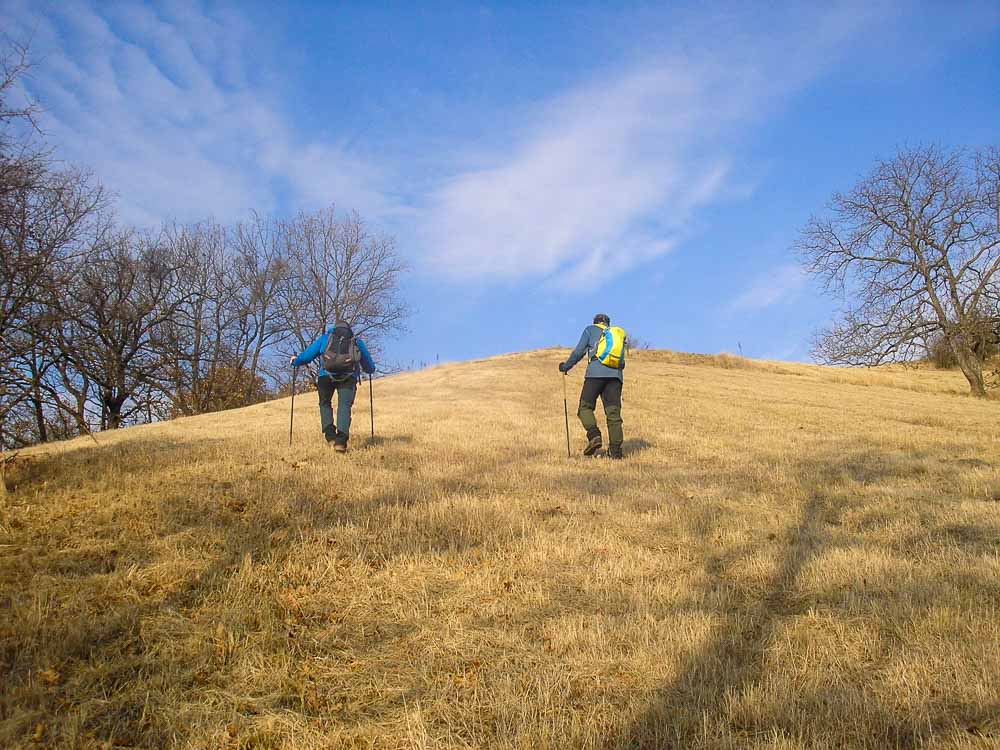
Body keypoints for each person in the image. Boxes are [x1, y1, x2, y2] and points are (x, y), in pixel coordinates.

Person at [289, 322, 376, 452]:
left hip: (325, 376)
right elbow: (369, 366)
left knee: (324, 403)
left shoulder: (325, 338)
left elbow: (307, 356)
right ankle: (341, 442)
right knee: (344, 406)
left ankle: (330, 435)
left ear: (334, 328)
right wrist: (369, 370)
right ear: (349, 330)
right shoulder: (356, 341)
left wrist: (295, 361)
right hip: (348, 377)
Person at [559, 313, 625, 459]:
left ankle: (594, 436)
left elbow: (578, 352)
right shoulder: (617, 335)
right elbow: (622, 361)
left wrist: (565, 367)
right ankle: (615, 452)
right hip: (615, 377)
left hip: (595, 375)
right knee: (613, 414)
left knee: (585, 408)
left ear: (595, 322)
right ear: (607, 323)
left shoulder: (590, 330)